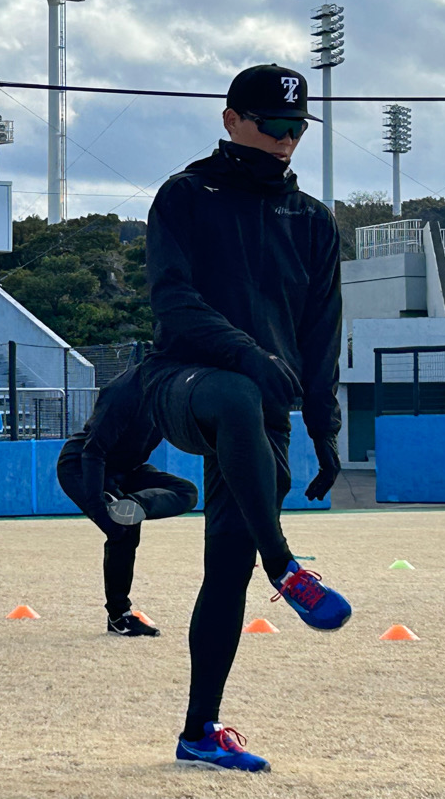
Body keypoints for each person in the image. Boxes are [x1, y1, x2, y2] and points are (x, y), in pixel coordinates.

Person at [141, 65, 351, 771]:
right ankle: (287, 565)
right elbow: (172, 302)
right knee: (234, 392)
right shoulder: (185, 196)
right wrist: (251, 356)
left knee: (226, 566)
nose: (286, 142)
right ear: (230, 119)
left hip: (266, 410)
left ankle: (201, 729)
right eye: (272, 126)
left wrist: (325, 427)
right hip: (185, 382)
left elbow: (323, 333)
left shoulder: (313, 221)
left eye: (297, 129)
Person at [56, 364, 198, 637]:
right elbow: (93, 452)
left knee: (186, 492)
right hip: (84, 466)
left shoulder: (170, 395)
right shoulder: (123, 391)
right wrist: (100, 511)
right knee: (122, 534)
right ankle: (119, 617)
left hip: (127, 470)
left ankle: (134, 505)